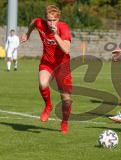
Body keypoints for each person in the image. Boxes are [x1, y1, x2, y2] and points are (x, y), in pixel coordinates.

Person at [20, 5, 72, 134]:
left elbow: (66, 49)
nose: (51, 23)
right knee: (43, 83)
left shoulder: (64, 28)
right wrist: (27, 34)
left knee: (66, 100)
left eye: (54, 20)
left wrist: (55, 35)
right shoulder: (40, 23)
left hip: (62, 66)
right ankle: (48, 106)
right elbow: (33, 23)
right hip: (47, 63)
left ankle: (64, 121)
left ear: (58, 19)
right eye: (49, 20)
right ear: (45, 19)